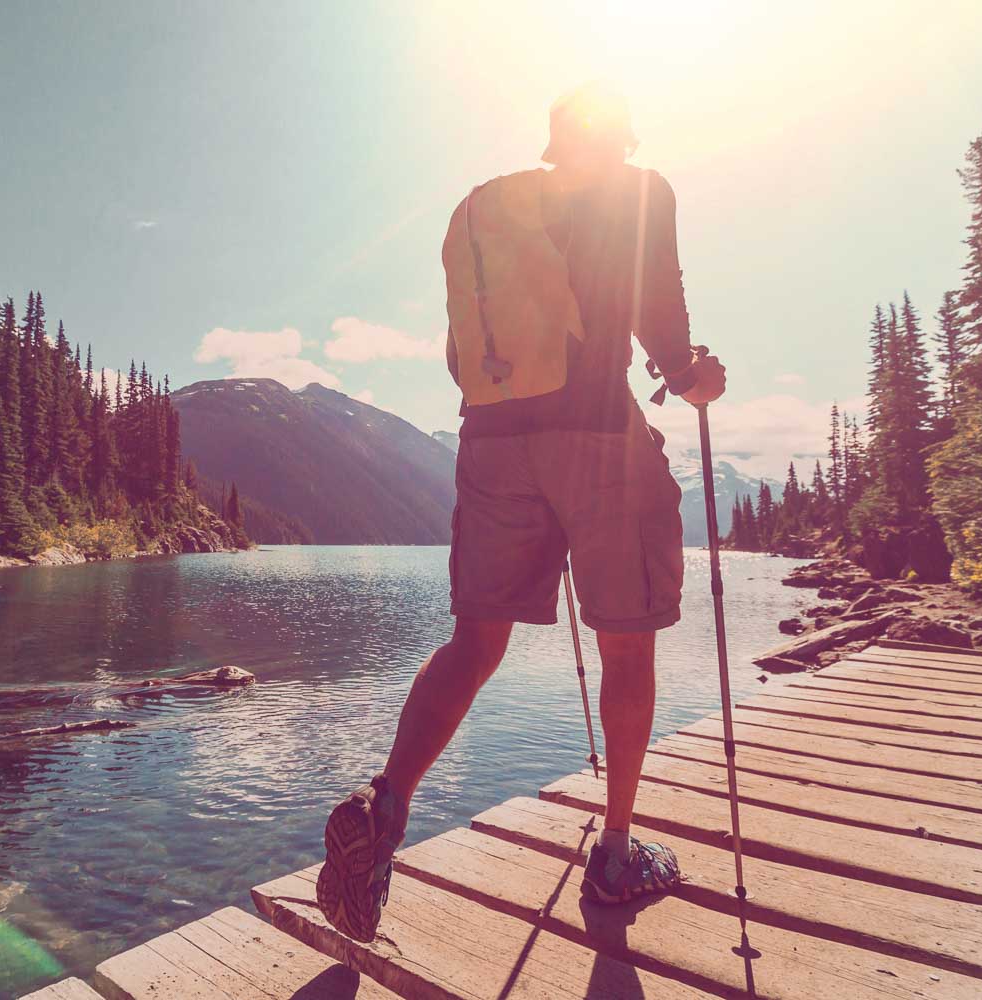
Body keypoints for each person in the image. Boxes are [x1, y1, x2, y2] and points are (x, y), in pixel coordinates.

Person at [317, 82, 727, 942]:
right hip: (595, 437)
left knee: (475, 641)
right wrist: (694, 374)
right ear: (621, 136)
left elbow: (461, 351)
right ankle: (615, 853)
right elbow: (663, 323)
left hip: (492, 440)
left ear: (551, 145)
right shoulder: (640, 192)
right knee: (626, 641)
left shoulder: (496, 215)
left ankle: (383, 805)